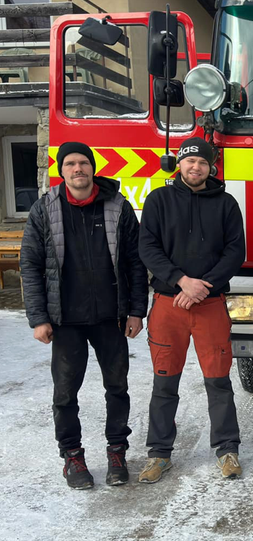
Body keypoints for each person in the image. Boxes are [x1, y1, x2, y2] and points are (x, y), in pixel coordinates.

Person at [20, 141, 148, 489]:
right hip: (65, 320)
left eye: (84, 163)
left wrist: (137, 310)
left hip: (111, 318)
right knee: (65, 393)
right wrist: (38, 317)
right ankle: (72, 456)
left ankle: (117, 451)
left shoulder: (117, 206)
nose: (78, 169)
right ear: (62, 170)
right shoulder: (44, 209)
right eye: (71, 164)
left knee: (117, 387)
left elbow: (135, 263)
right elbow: (30, 265)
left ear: (93, 167)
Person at [137, 137, 246, 483]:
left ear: (210, 167)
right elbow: (148, 247)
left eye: (202, 162)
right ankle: (159, 454)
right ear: (179, 164)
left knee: (218, 380)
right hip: (169, 306)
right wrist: (181, 280)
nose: (195, 167)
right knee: (164, 381)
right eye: (189, 161)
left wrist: (203, 286)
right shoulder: (158, 200)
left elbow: (235, 252)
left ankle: (228, 449)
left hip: (210, 305)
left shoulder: (226, 204)